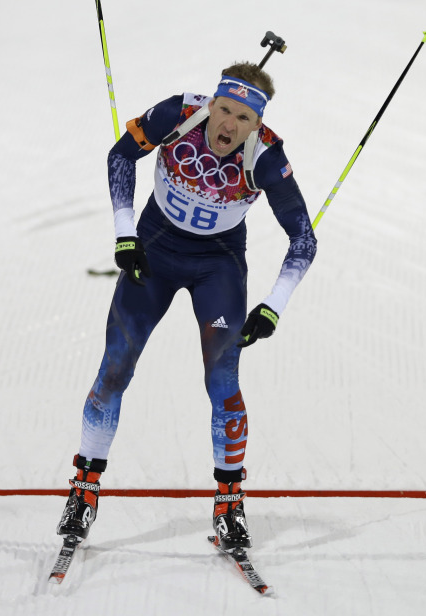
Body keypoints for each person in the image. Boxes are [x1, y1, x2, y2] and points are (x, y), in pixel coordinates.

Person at [57, 61, 317, 553]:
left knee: (223, 382)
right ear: (211, 103)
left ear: (257, 125)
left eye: (243, 119)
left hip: (217, 265)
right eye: (224, 110)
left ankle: (229, 503)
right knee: (114, 368)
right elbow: (120, 155)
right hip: (154, 249)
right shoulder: (181, 113)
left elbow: (304, 237)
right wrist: (124, 233)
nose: (228, 126)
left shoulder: (266, 157)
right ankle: (84, 488)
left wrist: (273, 305)